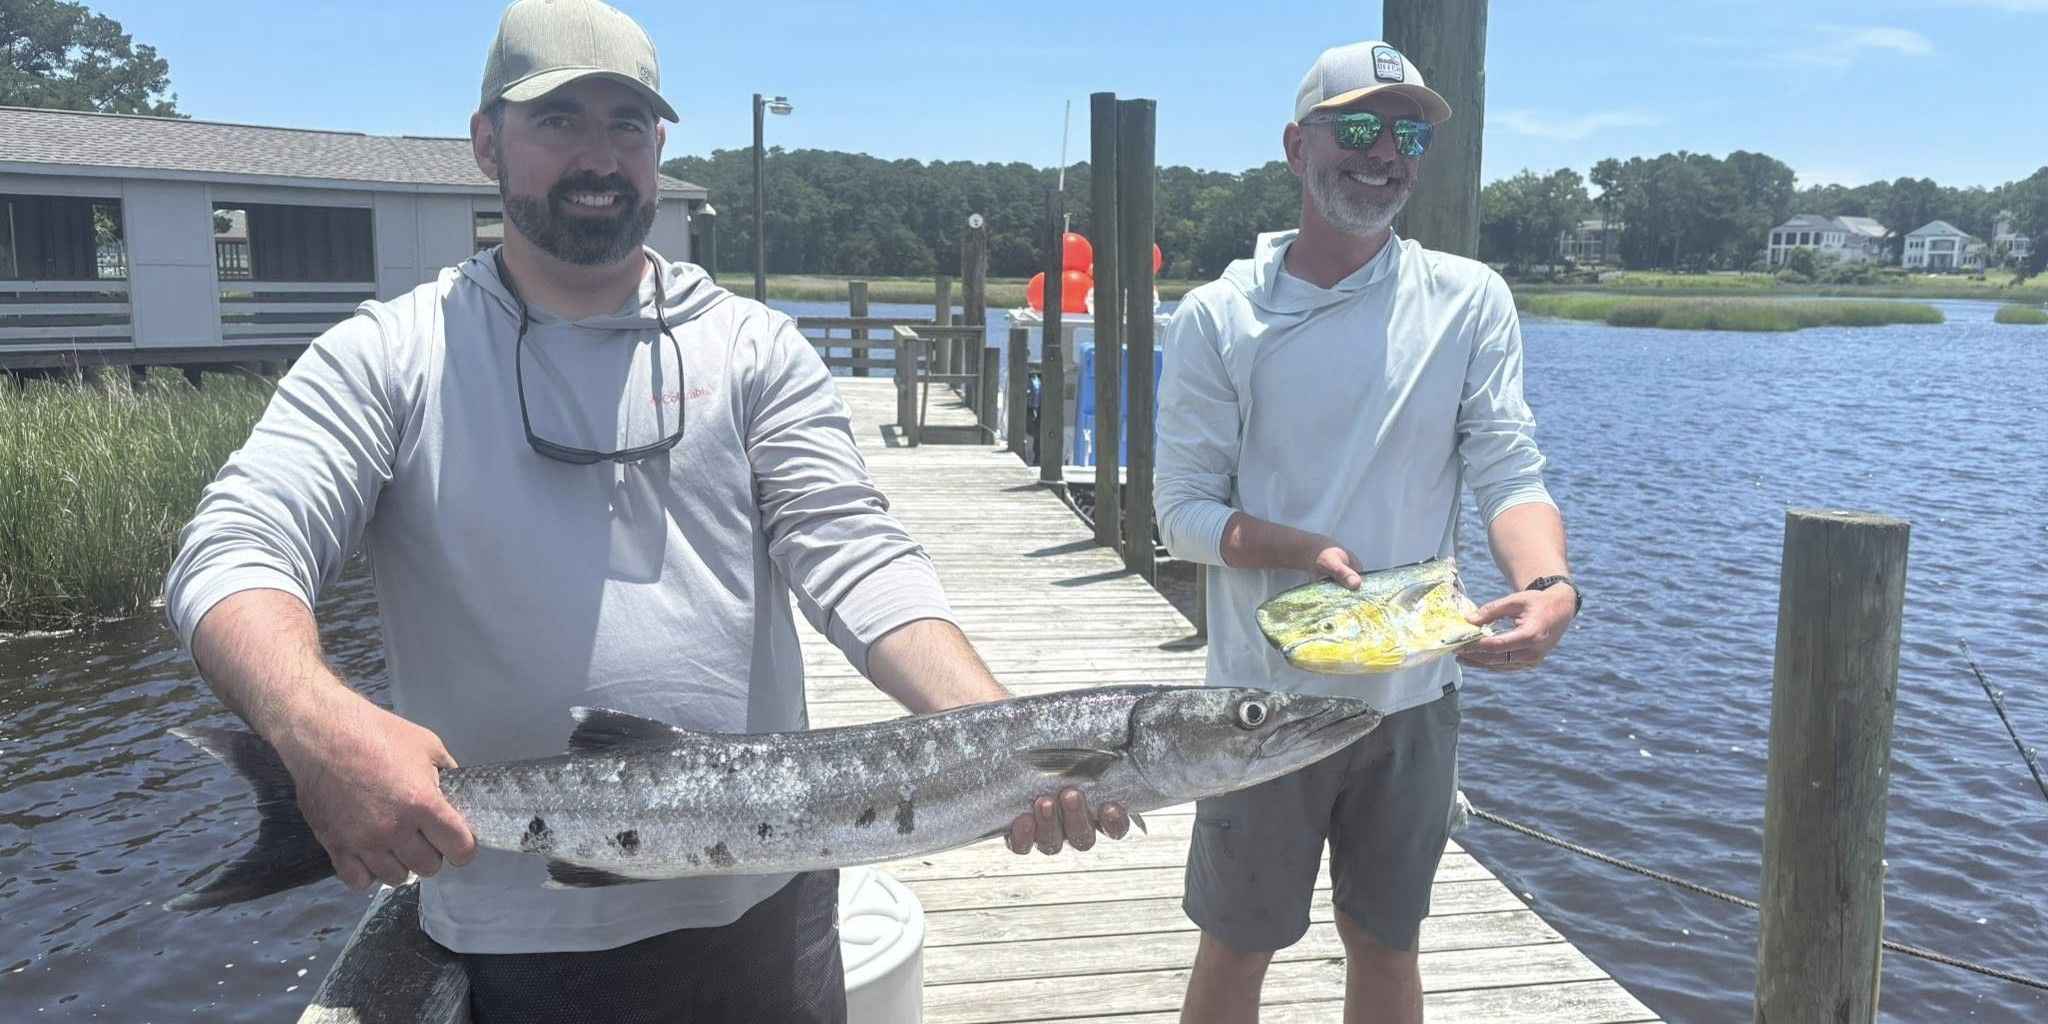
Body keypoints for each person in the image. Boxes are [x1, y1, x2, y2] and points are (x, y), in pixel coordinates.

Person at [161, 2, 1124, 1021]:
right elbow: (233, 549)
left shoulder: (754, 347)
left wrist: (1000, 739)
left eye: (627, 125)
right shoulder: (390, 354)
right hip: (511, 923)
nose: (599, 157)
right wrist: (316, 727)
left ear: (659, 147)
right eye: (559, 121)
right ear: (486, 142)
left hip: (768, 902)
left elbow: (854, 553)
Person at [1152, 39, 1579, 1024]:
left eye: (1407, 131)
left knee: (1387, 942)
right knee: (1237, 942)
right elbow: (1178, 516)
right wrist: (1296, 548)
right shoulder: (1220, 318)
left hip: (1414, 695)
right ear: (1297, 146)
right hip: (1257, 707)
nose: (1382, 151)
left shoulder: (1468, 300)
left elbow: (1507, 470)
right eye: (1356, 127)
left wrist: (1549, 586)